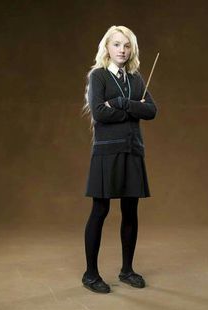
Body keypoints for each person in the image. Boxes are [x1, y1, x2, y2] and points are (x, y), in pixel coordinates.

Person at [81, 25, 157, 294]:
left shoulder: (136, 78)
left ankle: (127, 270)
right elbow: (100, 113)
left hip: (132, 151)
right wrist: (132, 107)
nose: (122, 50)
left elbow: (151, 110)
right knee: (100, 211)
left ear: (132, 49)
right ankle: (90, 274)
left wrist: (122, 103)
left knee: (130, 211)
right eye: (116, 44)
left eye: (126, 45)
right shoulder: (98, 76)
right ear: (107, 47)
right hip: (106, 152)